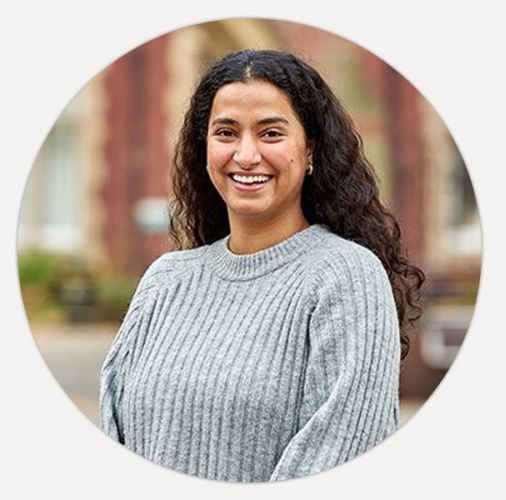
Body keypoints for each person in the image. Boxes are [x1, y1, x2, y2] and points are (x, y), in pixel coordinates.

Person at [98, 49, 424, 483]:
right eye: (226, 133)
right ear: (205, 149)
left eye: (271, 133)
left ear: (310, 150)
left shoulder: (346, 277)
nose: (246, 155)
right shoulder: (165, 280)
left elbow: (339, 459)